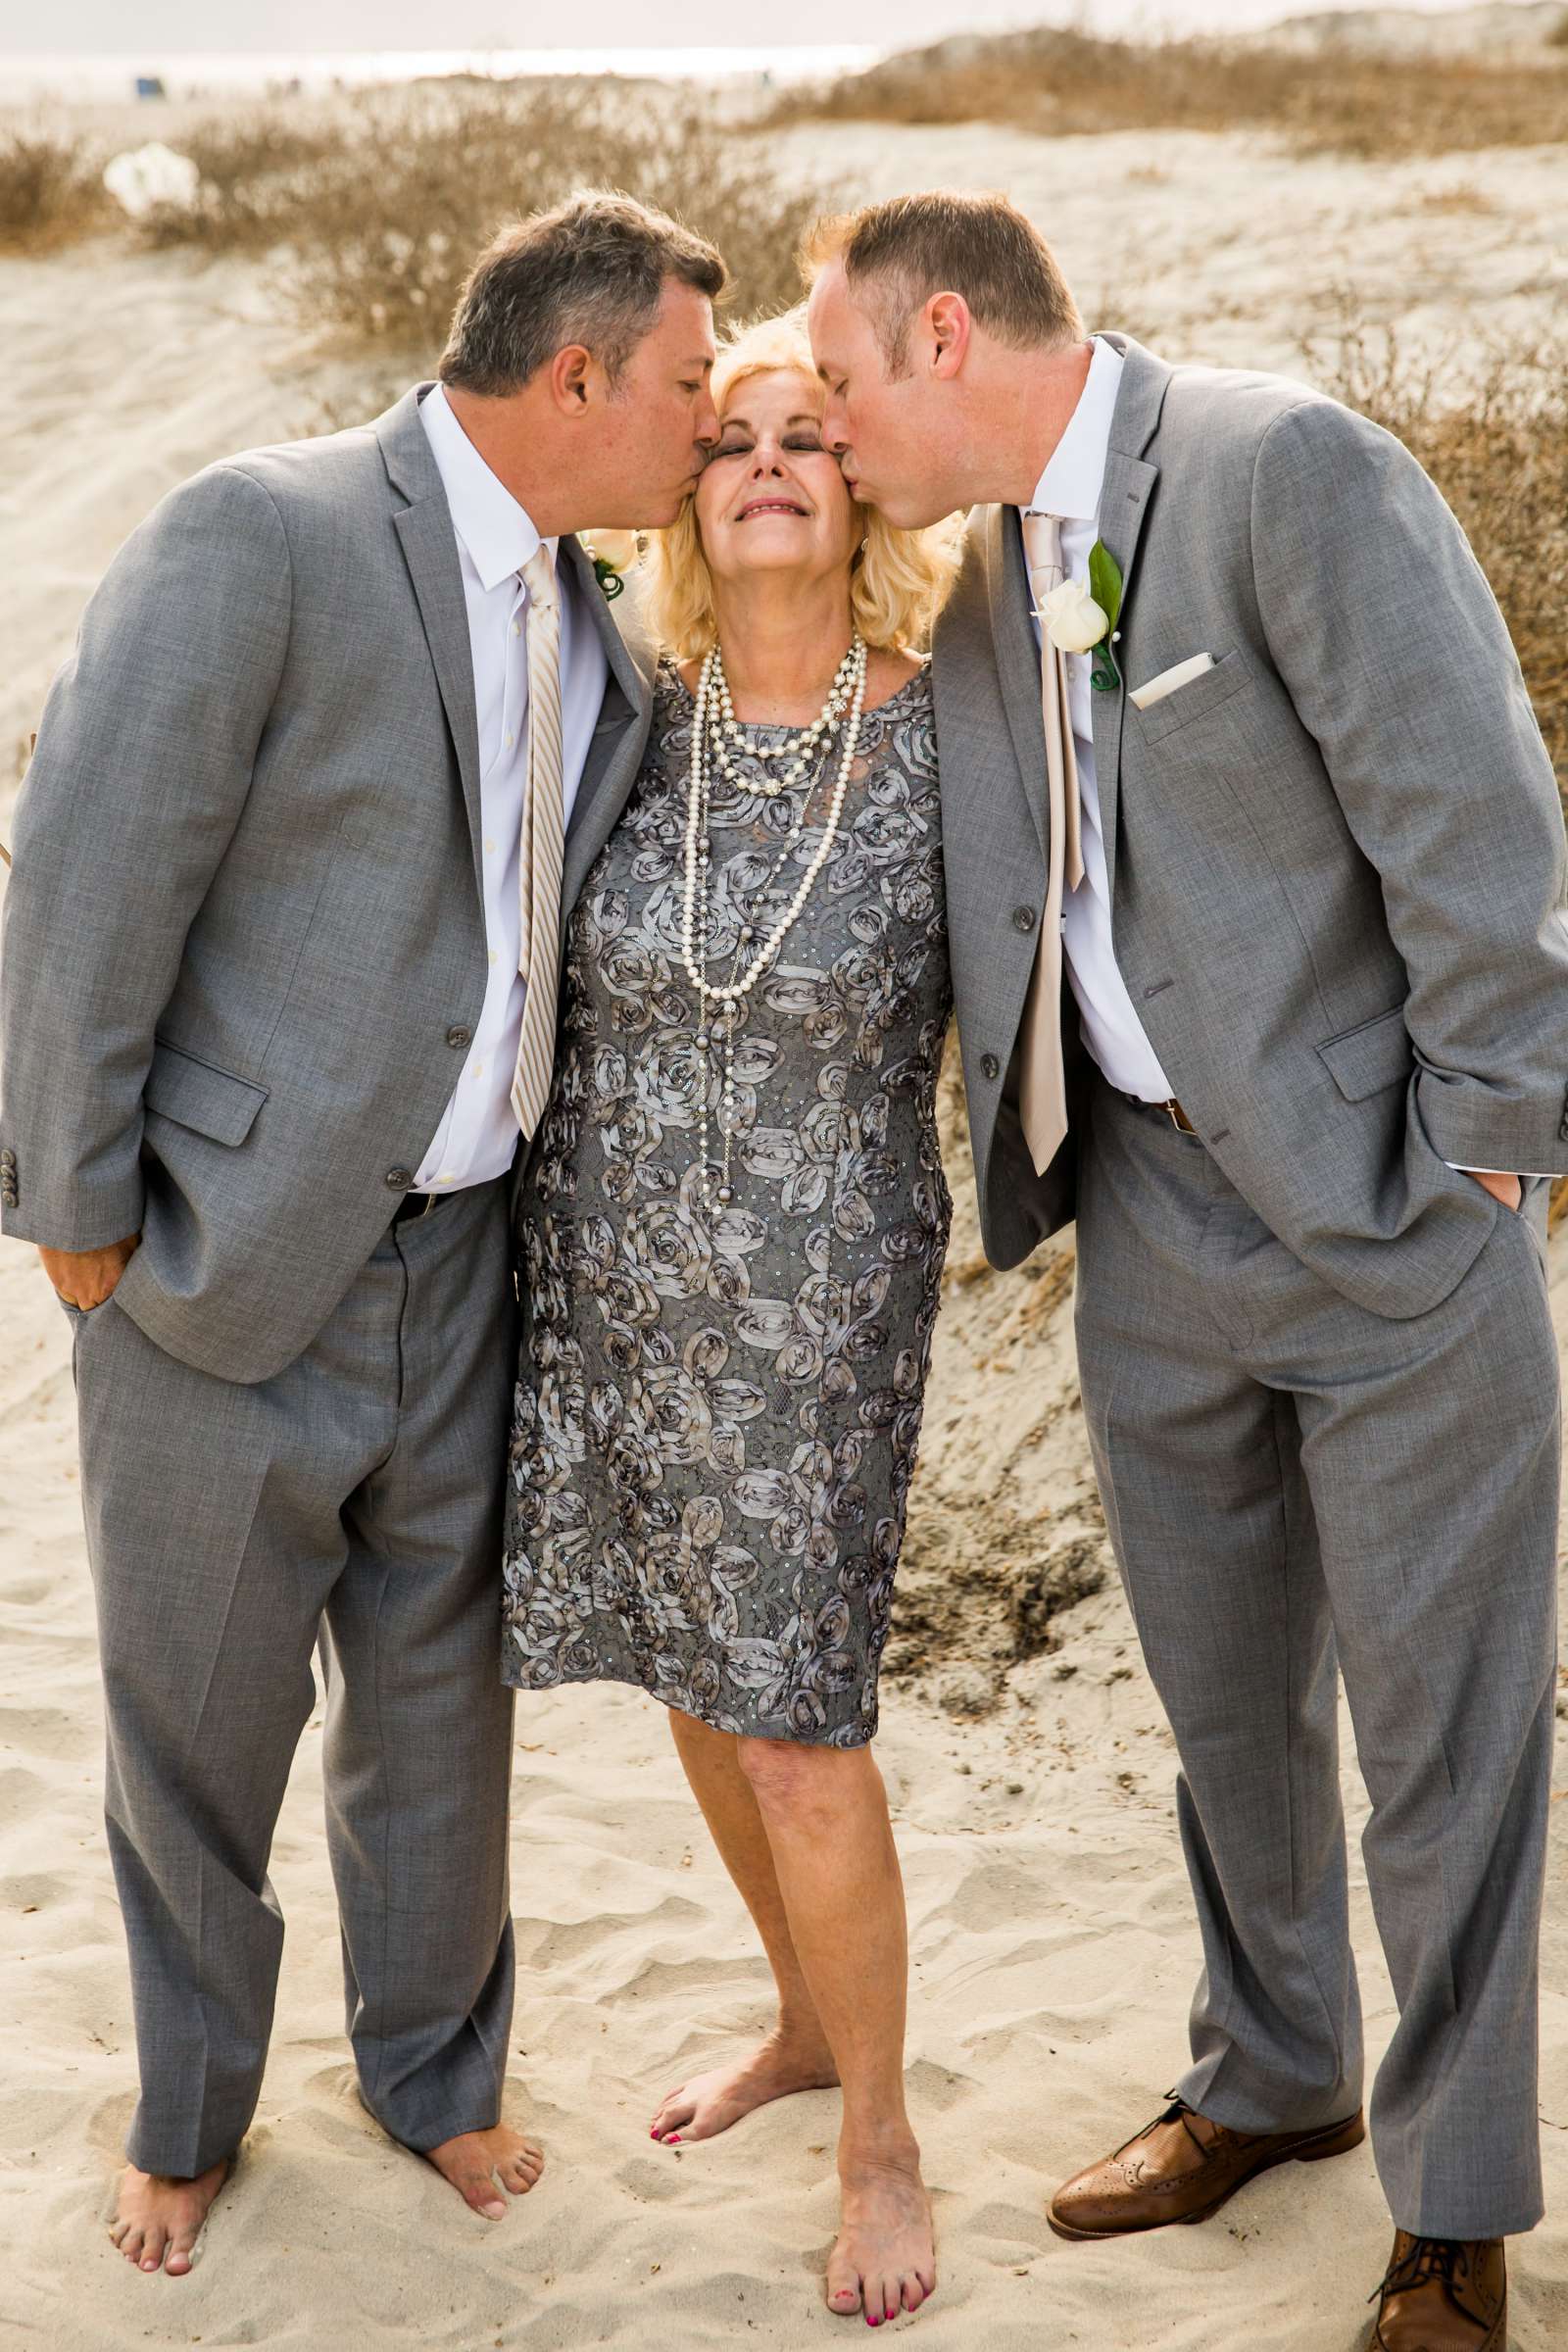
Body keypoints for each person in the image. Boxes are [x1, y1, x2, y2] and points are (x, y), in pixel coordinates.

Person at [805, 190, 1567, 2352]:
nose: (841, 429)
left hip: (1391, 1224)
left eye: (843, 385)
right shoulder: (976, 585)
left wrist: (1489, 1171)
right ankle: (1271, 2078)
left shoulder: (1276, 469)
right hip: (1138, 1227)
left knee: (1443, 1749)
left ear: (940, 336)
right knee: (1224, 1708)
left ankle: (1453, 2213)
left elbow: (1475, 827)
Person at [0, 192, 724, 2279]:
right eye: (687, 384)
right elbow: (85, 880)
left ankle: (429, 2079)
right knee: (198, 1730)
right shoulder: (267, 533)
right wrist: (72, 1214)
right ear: (576, 375)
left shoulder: (600, 620)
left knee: (435, 1718)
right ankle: (187, 2109)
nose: (698, 423)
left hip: (467, 1268)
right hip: (214, 1261)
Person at [501, 311, 960, 2327]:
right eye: (731, 438)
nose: (766, 460)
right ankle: (792, 2021)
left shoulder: (955, 734)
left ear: (855, 484)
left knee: (796, 1730)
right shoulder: (628, 715)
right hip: (606, 1287)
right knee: (693, 1683)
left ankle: (882, 2143)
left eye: (804, 435)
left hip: (816, 1315)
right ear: (686, 493)